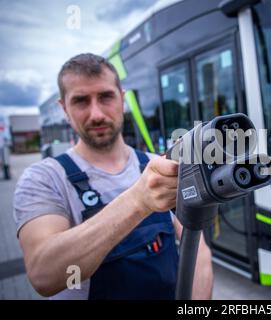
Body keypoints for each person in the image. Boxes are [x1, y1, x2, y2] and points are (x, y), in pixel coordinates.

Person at [13, 53, 213, 300]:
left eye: (106, 96)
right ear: (64, 108)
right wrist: (138, 201)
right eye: (81, 101)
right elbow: (43, 274)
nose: (96, 114)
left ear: (122, 98)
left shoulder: (157, 164)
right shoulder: (43, 179)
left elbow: (198, 252)